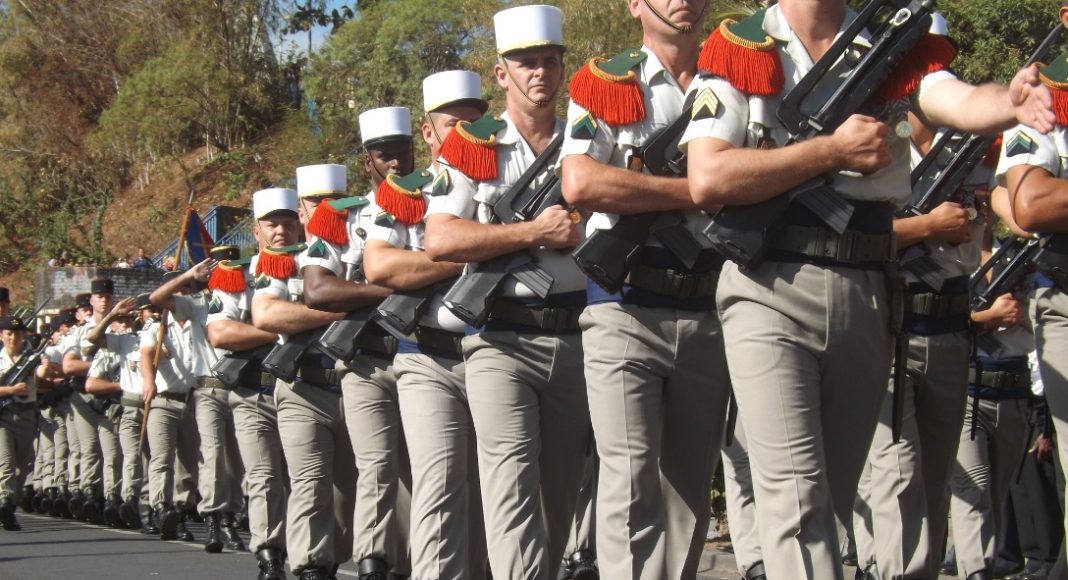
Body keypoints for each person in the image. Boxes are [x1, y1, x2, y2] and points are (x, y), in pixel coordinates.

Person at [682, 1, 1054, 577]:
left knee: (832, 499)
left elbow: (952, 99)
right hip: (767, 287)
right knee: (796, 497)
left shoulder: (888, 44)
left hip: (867, 290)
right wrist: (829, 152)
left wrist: (1009, 101)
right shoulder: (742, 47)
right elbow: (708, 177)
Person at [558, 0, 732, 577]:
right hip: (625, 306)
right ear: (635, 5)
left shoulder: (735, 76)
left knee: (688, 490)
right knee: (629, 479)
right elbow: (581, 181)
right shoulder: (608, 84)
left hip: (708, 305)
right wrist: (698, 188)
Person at [425, 6, 591, 579]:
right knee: (511, 488)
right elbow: (440, 238)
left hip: (575, 337)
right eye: (525, 63)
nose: (539, 72)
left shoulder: (586, 137)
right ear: (502, 74)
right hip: (501, 340)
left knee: (559, 496)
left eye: (549, 61)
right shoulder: (473, 146)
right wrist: (531, 232)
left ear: (563, 68)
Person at [361, 70, 486, 580]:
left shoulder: (503, 177)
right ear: (429, 134)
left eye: (474, 123)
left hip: (500, 349)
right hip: (429, 356)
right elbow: (381, 267)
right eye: (453, 125)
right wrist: (470, 253)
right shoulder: (401, 196)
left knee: (494, 493)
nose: (465, 135)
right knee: (440, 485)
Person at [302, 109, 415, 580]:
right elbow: (317, 290)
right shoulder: (342, 217)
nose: (395, 162)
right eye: (384, 155)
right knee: (377, 463)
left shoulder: (440, 200)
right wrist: (393, 287)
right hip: (367, 360)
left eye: (402, 152)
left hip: (427, 355)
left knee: (427, 471)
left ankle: (408, 562)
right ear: (367, 160)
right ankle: (372, 560)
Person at [250, 170, 351, 580]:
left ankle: (338, 562)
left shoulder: (356, 244)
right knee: (310, 485)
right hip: (302, 386)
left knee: (353, 492)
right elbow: (267, 314)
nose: (325, 208)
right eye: (314, 202)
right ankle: (310, 567)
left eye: (333, 199)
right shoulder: (277, 263)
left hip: (355, 385)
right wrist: (342, 308)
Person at [205, 238, 289, 580]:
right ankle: (270, 556)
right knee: (264, 479)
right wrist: (278, 327)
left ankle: (313, 558)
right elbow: (222, 333)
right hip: (254, 391)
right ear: (256, 230)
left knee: (308, 481)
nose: (280, 231)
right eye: (271, 223)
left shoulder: (313, 263)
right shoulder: (238, 276)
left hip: (307, 388)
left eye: (288, 222)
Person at [141, 276, 199, 543]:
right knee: (162, 459)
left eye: (186, 289)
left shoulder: (198, 323)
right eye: (177, 290)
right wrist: (148, 381)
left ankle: (181, 511)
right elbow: (145, 355)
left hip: (192, 400)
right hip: (163, 401)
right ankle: (160, 508)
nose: (182, 294)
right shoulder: (157, 326)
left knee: (188, 464)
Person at [62, 277, 119, 524]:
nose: (104, 301)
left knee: (113, 452)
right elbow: (69, 366)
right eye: (99, 297)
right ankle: (90, 495)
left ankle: (113, 498)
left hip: (113, 395)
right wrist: (100, 366)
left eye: (107, 296)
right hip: (84, 396)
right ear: (92, 300)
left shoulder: (121, 327)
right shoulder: (81, 331)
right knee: (90, 449)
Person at [85, 294, 142, 528]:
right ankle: (112, 499)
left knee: (134, 458)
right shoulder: (108, 348)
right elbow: (91, 384)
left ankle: (131, 502)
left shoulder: (141, 343)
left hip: (135, 407)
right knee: (112, 457)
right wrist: (120, 385)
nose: (125, 325)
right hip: (112, 410)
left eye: (129, 320)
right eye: (121, 320)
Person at [0, 315, 38, 531]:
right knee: (6, 463)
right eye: (9, 333)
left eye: (17, 334)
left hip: (26, 414)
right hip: (3, 416)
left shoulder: (30, 357)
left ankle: (10, 505)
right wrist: (10, 390)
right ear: (1, 336)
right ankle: (4, 502)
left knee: (22, 466)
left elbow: (42, 377)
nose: (13, 338)